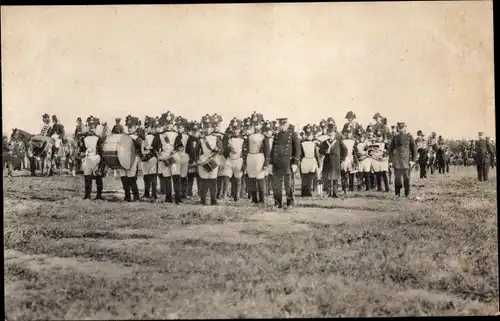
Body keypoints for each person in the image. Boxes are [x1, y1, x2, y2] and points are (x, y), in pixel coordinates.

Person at [270, 117, 301, 208]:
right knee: (276, 186)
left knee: (288, 185)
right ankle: (277, 202)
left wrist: (295, 162)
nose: (282, 127)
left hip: (288, 163)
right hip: (276, 163)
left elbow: (298, 150)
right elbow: (272, 151)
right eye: (280, 125)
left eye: (284, 124)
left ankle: (290, 202)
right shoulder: (276, 135)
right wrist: (271, 163)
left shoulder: (293, 135)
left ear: (287, 125)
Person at [157, 112, 184, 204]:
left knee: (176, 178)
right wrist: (158, 155)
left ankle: (178, 198)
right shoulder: (160, 135)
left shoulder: (177, 134)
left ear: (173, 123)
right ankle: (168, 198)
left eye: (170, 123)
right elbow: (156, 147)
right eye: (166, 123)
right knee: (167, 178)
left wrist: (176, 150)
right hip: (164, 156)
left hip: (174, 156)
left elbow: (180, 146)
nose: (168, 125)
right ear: (163, 123)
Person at [197, 114, 223, 205]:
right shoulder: (200, 139)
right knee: (203, 181)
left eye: (210, 127)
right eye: (205, 127)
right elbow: (197, 151)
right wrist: (198, 160)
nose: (207, 129)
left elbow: (221, 151)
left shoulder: (217, 138)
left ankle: (213, 200)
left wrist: (218, 149)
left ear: (213, 128)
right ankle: (203, 200)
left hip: (214, 160)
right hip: (203, 159)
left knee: (213, 181)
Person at [319, 119, 347, 198]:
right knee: (327, 177)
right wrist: (324, 151)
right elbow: (320, 150)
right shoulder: (325, 142)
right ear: (327, 133)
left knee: (335, 178)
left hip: (335, 161)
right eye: (329, 132)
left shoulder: (338, 141)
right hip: (327, 161)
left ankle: (335, 193)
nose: (330, 133)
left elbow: (345, 150)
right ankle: (328, 192)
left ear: (335, 133)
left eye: (332, 132)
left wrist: (342, 159)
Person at [245, 112, 270, 204]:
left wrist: (266, 163)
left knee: (260, 179)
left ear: (261, 125)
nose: (256, 126)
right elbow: (246, 148)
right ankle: (254, 199)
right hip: (250, 157)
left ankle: (262, 199)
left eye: (258, 124)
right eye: (254, 124)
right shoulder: (249, 136)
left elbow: (267, 151)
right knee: (251, 178)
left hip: (260, 157)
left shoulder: (264, 137)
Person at [116, 116, 142, 202]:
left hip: (132, 159)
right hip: (124, 159)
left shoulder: (137, 137)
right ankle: (127, 196)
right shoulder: (124, 136)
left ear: (135, 127)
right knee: (124, 178)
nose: (130, 129)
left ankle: (136, 196)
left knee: (131, 179)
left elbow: (140, 147)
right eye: (128, 127)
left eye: (131, 127)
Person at [221, 118, 247, 201]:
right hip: (230, 159)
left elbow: (245, 152)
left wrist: (244, 163)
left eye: (237, 129)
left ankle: (237, 196)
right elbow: (224, 150)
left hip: (239, 160)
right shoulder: (228, 138)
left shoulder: (244, 139)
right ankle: (224, 195)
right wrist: (227, 148)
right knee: (225, 176)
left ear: (240, 129)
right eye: (234, 129)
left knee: (238, 178)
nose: (235, 131)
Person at [388, 122, 417, 197]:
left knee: (406, 177)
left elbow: (414, 150)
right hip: (397, 160)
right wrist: (390, 161)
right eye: (400, 128)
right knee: (397, 178)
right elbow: (391, 150)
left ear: (405, 128)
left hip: (406, 160)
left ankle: (407, 193)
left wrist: (413, 161)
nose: (401, 129)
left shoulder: (409, 137)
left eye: (403, 128)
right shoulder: (395, 137)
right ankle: (397, 193)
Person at [80, 116, 105, 200]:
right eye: (90, 126)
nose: (92, 128)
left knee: (98, 177)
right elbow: (82, 149)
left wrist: (102, 164)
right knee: (87, 177)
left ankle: (99, 195)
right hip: (87, 158)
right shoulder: (84, 138)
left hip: (96, 158)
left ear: (96, 127)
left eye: (94, 126)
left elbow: (101, 151)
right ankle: (87, 195)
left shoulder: (99, 139)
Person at [140, 117, 160, 201]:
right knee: (146, 176)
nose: (147, 128)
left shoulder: (156, 137)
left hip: (152, 158)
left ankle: (154, 194)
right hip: (145, 159)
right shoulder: (143, 136)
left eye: (149, 127)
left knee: (153, 177)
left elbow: (158, 148)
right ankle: (146, 193)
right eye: (146, 126)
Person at [300, 124, 320, 196]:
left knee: (310, 177)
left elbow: (316, 154)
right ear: (305, 135)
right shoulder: (302, 143)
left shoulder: (314, 144)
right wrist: (300, 161)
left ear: (312, 136)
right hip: (304, 161)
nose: (309, 137)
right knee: (304, 177)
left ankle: (308, 191)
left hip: (312, 161)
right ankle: (304, 192)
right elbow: (300, 154)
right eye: (307, 135)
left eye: (310, 135)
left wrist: (318, 163)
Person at [186, 121, 201, 198]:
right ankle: (189, 193)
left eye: (197, 131)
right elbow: (187, 150)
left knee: (199, 178)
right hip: (191, 160)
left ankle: (200, 193)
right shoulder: (189, 139)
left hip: (198, 161)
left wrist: (199, 159)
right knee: (190, 178)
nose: (195, 132)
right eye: (193, 131)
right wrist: (189, 159)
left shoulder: (201, 140)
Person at [341, 126, 357, 192]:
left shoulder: (353, 141)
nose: (348, 134)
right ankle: (344, 186)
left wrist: (354, 150)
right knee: (343, 172)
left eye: (349, 133)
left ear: (351, 133)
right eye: (347, 133)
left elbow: (356, 150)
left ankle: (351, 187)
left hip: (351, 157)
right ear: (345, 133)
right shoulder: (343, 141)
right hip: (344, 157)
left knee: (351, 173)